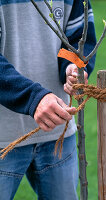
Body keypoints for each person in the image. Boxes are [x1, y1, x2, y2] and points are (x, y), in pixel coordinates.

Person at [0, 0, 96, 199]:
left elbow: (77, 36)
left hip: (59, 132)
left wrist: (74, 68)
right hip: (3, 136)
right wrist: (33, 98)